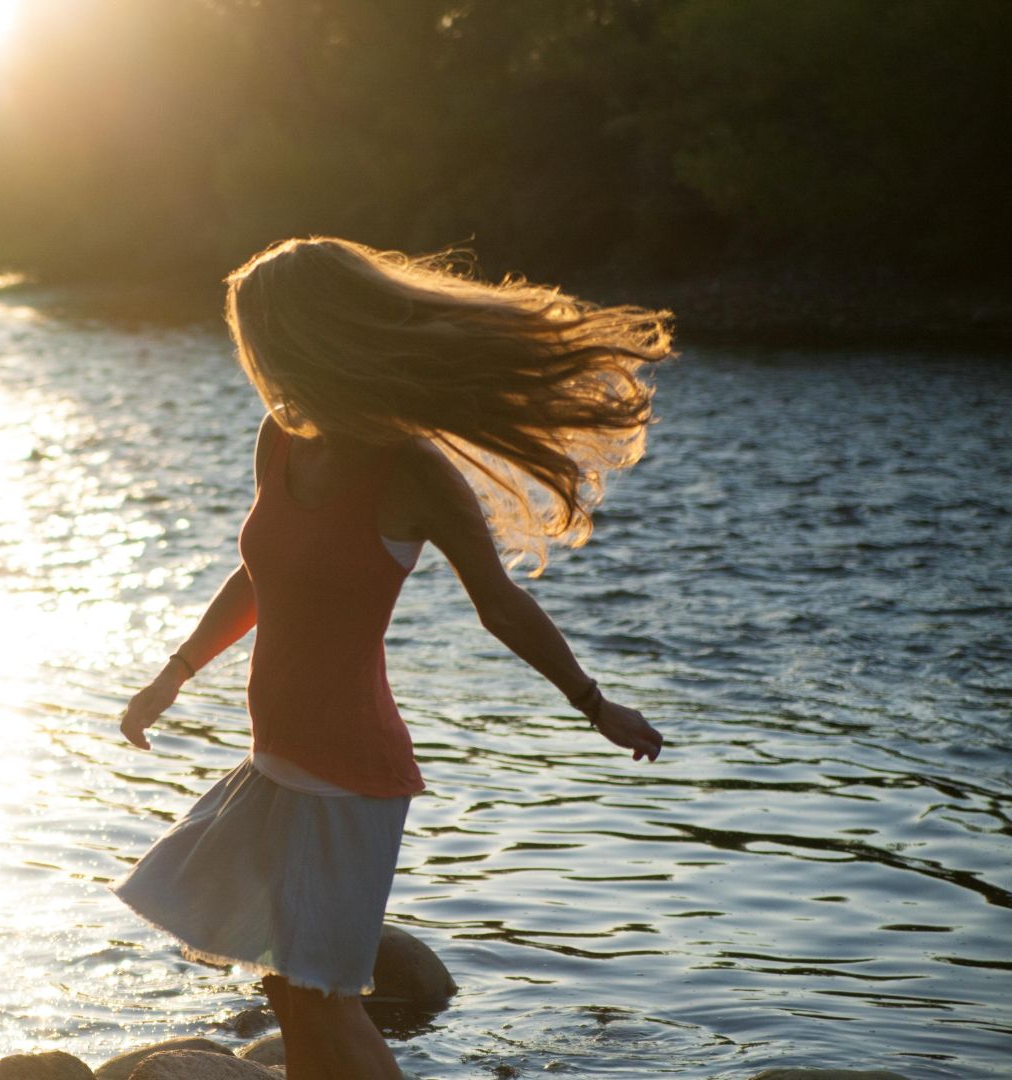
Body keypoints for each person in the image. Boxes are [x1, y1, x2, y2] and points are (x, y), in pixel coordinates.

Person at [111, 237, 671, 1080]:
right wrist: (174, 674)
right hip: (275, 762)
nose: (255, 360)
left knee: (323, 1000)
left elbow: (500, 604)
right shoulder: (282, 440)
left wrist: (596, 706)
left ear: (306, 337)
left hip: (349, 776)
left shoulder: (407, 469)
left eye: (260, 338)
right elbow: (262, 572)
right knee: (287, 991)